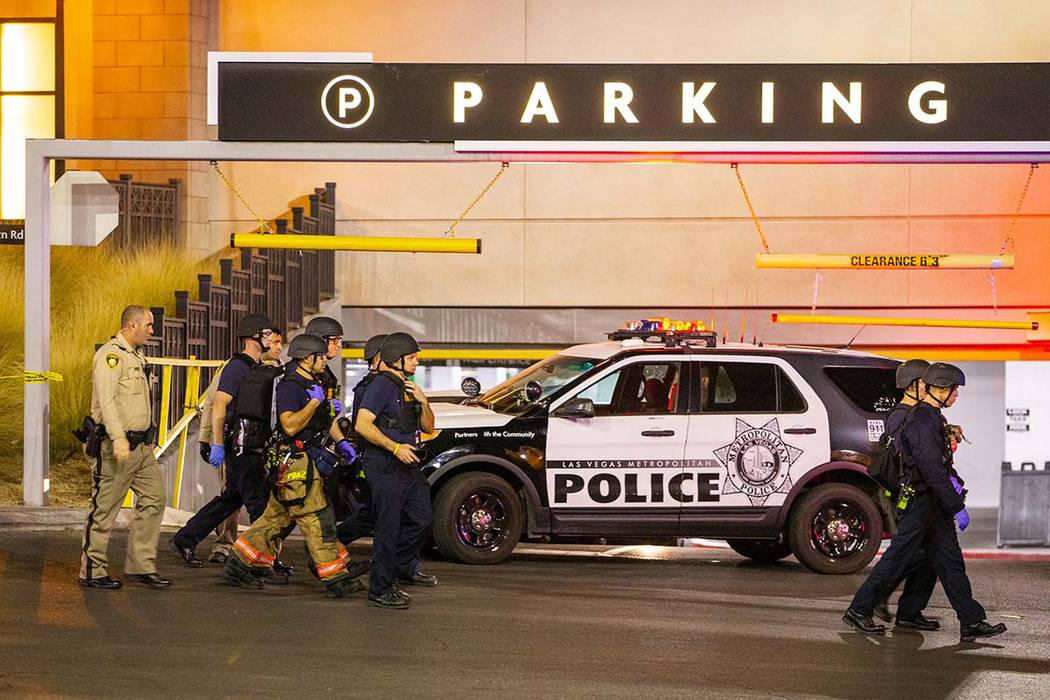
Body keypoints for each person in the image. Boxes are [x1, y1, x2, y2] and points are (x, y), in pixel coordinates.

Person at [843, 363, 1007, 643]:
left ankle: (971, 620)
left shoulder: (932, 417)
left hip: (933, 505)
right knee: (897, 558)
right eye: (954, 391)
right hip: (920, 501)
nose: (956, 396)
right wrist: (956, 505)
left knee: (950, 561)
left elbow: (939, 463)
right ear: (941, 389)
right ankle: (859, 609)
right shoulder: (920, 420)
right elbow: (930, 468)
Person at [220, 334, 360, 597]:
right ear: (309, 358)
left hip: (303, 463)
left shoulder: (313, 382)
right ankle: (336, 579)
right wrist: (315, 403)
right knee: (317, 518)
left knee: (273, 520)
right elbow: (290, 424)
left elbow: (321, 420)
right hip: (296, 463)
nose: (325, 361)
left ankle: (236, 565)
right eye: (320, 357)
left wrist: (341, 441)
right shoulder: (290, 386)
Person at [169, 314, 281, 568]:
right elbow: (220, 403)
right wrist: (217, 443)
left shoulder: (255, 367)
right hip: (239, 444)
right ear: (253, 336)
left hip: (249, 442)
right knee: (258, 503)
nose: (270, 340)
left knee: (230, 499)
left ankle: (185, 538)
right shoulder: (238, 366)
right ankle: (260, 559)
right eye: (266, 335)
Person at [79, 305, 170, 590]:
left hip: (141, 449)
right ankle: (92, 571)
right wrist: (118, 437)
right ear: (132, 325)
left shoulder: (136, 356)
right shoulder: (111, 356)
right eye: (148, 325)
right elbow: (106, 402)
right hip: (116, 446)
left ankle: (141, 565)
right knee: (104, 509)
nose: (152, 331)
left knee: (154, 499)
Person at [355, 332, 437, 609]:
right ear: (396, 359)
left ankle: (396, 568)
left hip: (408, 464)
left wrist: (423, 401)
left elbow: (428, 427)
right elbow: (362, 424)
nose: (416, 363)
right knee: (388, 527)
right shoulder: (381, 385)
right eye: (411, 358)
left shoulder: (407, 386)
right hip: (384, 463)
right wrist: (394, 448)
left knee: (422, 518)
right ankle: (380, 588)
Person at [334, 333, 387, 546]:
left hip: (376, 460)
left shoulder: (372, 384)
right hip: (377, 460)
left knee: (375, 514)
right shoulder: (374, 386)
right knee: (378, 515)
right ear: (377, 358)